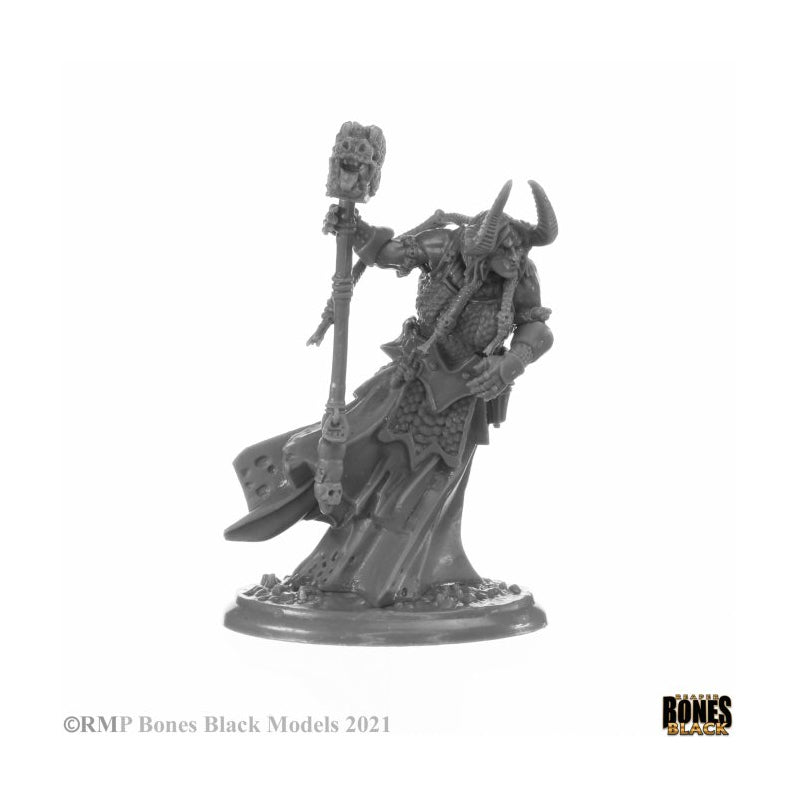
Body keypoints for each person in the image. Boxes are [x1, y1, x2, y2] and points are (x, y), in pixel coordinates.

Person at [224, 179, 557, 608]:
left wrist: (512, 362)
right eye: (505, 250)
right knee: (348, 441)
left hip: (462, 397)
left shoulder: (522, 273)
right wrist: (354, 226)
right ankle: (291, 488)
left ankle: (381, 581)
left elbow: (537, 327)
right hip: (411, 375)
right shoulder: (445, 247)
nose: (513, 258)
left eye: (518, 251)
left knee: (417, 494)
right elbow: (387, 253)